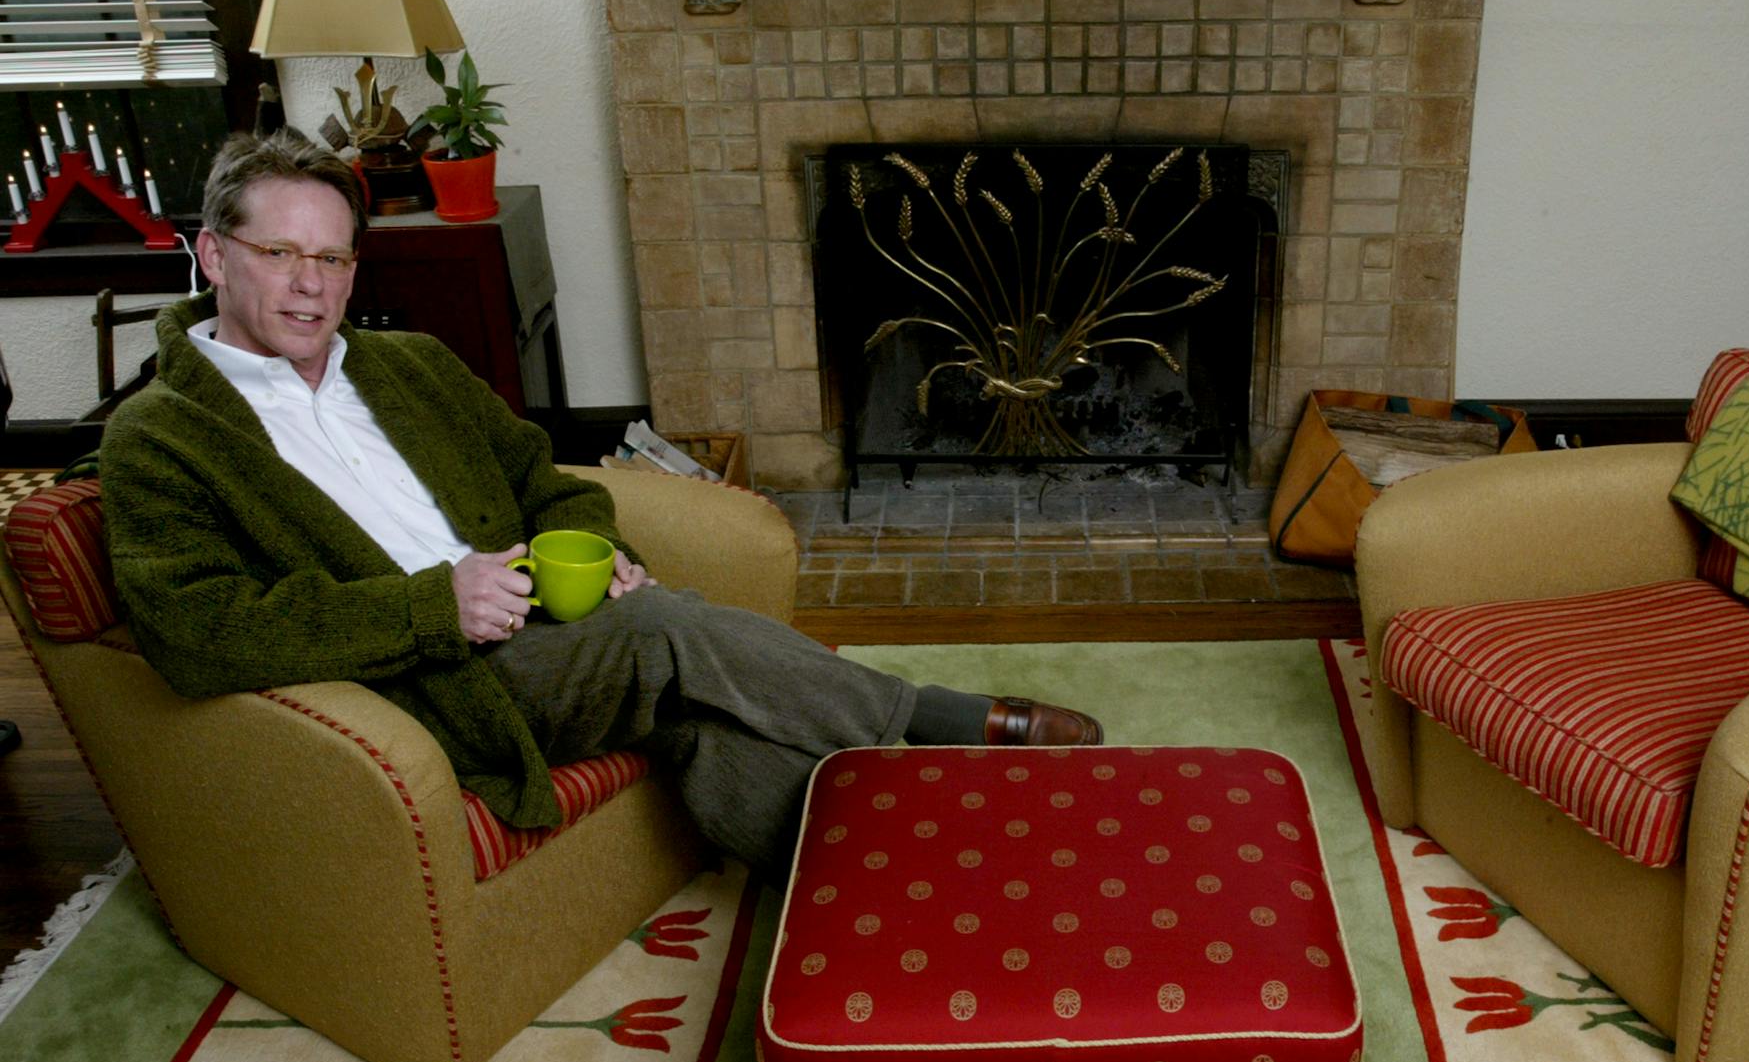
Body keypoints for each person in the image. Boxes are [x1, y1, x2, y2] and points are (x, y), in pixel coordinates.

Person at [100, 133, 1103, 884]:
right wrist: (430, 605)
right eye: (281, 254)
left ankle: (914, 877)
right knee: (665, 634)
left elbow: (547, 481)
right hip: (432, 678)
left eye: (333, 258)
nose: (311, 286)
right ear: (215, 255)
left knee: (707, 724)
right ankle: (937, 720)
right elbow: (198, 632)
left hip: (546, 616)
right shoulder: (161, 435)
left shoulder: (408, 366)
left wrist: (597, 550)